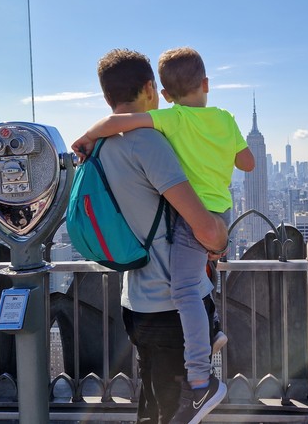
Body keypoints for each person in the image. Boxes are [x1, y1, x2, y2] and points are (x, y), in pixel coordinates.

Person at [73, 47, 255, 424]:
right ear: (149, 89)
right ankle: (204, 377)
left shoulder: (100, 147)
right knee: (175, 413)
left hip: (134, 303)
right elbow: (204, 228)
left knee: (152, 406)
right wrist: (219, 242)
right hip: (168, 308)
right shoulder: (150, 142)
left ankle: (210, 332)